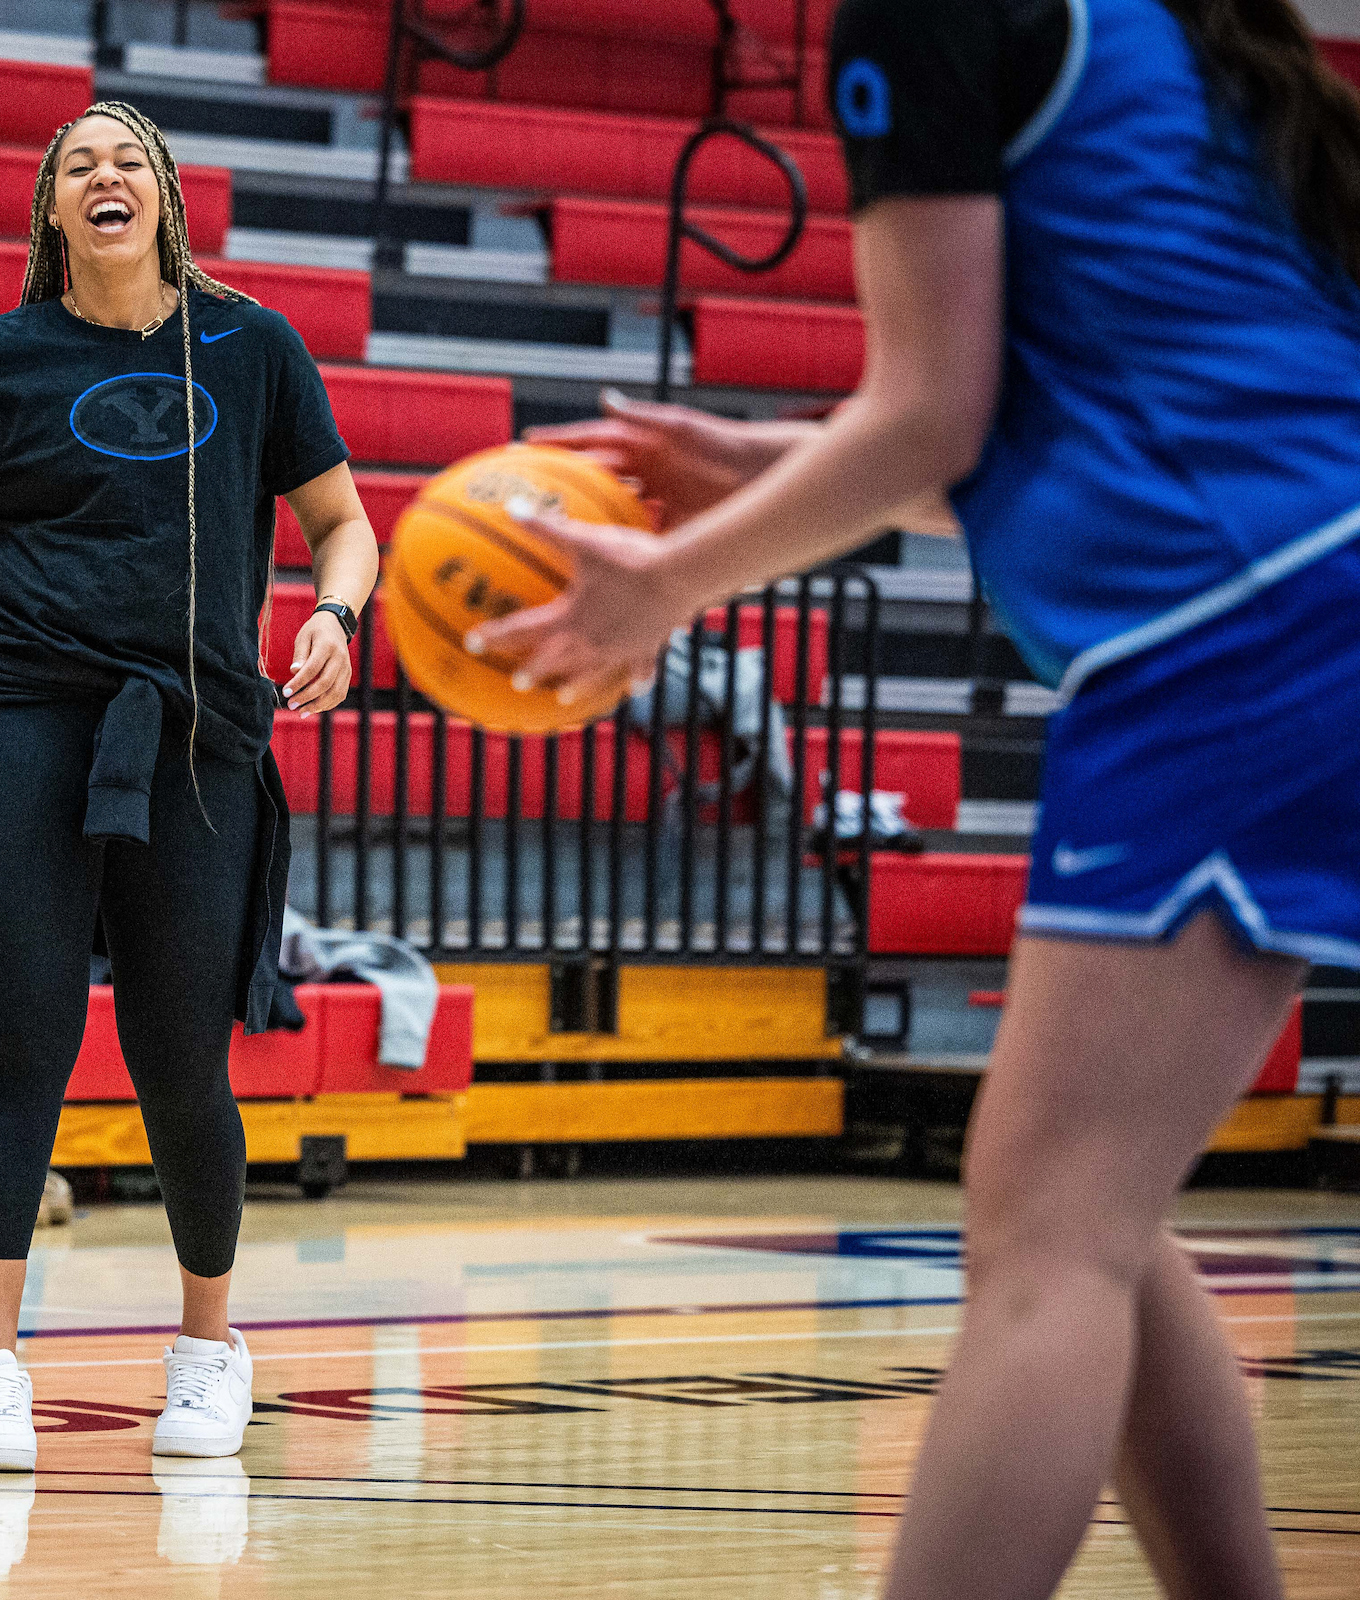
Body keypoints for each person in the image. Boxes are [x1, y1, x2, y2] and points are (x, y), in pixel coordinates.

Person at [473, 2, 1360, 1596]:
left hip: (1243, 629)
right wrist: (760, 462)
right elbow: (1050, 434)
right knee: (1095, 1212)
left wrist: (662, 588)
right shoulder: (1172, 31)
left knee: (1047, 1241)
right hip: (1304, 594)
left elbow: (933, 413)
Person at [0, 102, 379, 1473]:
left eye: (127, 158)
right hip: (22, 719)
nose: (104, 175)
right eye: (77, 162)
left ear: (166, 199)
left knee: (179, 1060)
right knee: (18, 1042)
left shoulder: (252, 347)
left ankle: (208, 1350)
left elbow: (343, 524)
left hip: (197, 738)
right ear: (50, 210)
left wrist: (335, 615)